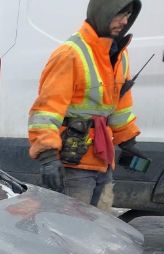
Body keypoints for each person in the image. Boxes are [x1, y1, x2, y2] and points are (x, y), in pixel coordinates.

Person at [28, 0, 147, 209]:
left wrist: (128, 140)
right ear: (103, 12)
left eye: (129, 15)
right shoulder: (70, 53)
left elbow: (120, 106)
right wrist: (47, 156)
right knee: (71, 230)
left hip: (103, 160)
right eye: (120, 14)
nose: (125, 21)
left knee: (96, 230)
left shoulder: (119, 54)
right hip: (74, 165)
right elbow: (46, 111)